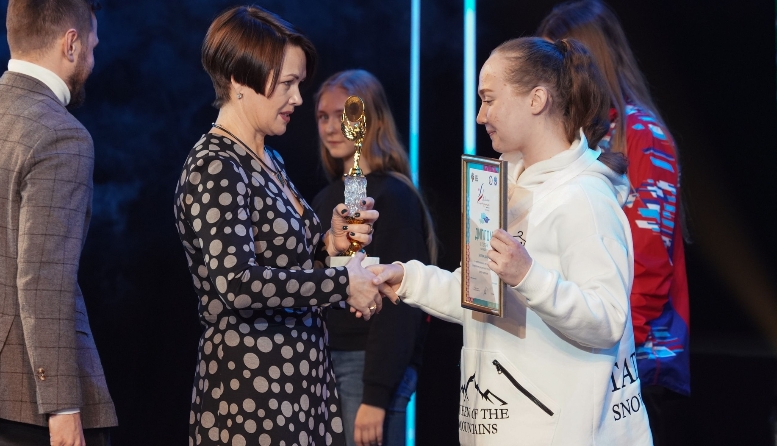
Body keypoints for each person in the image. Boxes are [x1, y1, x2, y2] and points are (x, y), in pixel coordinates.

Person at [370, 37, 653, 445]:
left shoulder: (585, 198)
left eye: (489, 99)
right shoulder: (498, 186)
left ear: (536, 99)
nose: (481, 115)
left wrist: (528, 276)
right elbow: (480, 296)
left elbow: (608, 318)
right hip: (494, 427)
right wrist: (408, 278)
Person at [174, 6, 383, 446]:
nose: (298, 99)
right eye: (287, 83)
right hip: (253, 388)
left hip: (299, 380)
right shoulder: (216, 165)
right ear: (239, 80)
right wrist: (342, 284)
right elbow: (237, 283)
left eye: (298, 83)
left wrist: (331, 244)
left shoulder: (269, 159)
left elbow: (291, 265)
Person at [538, 3, 690, 444]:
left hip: (636, 366)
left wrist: (607, 353)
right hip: (587, 359)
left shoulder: (642, 135)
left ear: (591, 57)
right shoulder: (580, 138)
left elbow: (648, 265)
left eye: (556, 60)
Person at [0, 1, 117, 445]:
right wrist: (63, 407)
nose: (92, 59)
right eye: (92, 45)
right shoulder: (61, 135)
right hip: (29, 404)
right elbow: (44, 277)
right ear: (71, 44)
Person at [312, 70, 435, 446]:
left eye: (342, 115)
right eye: (323, 116)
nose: (331, 127)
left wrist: (376, 395)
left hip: (367, 366)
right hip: (325, 362)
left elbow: (401, 300)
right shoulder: (324, 198)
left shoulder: (394, 196)